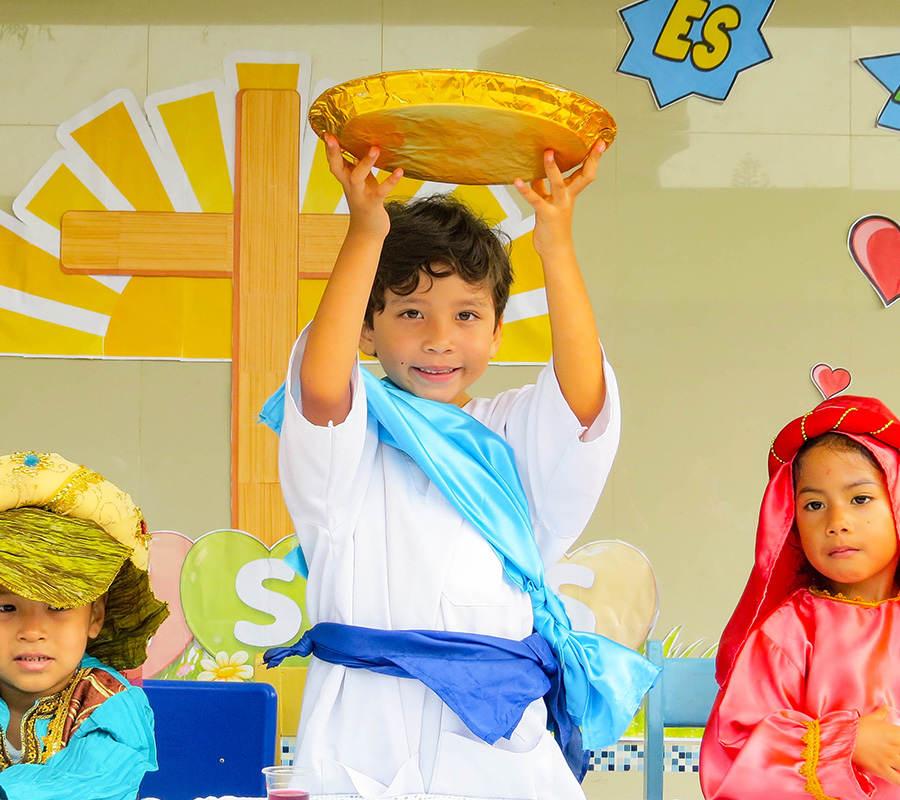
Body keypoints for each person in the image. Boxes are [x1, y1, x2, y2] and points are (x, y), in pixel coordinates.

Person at [263, 135, 658, 800]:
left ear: (498, 331)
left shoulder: (512, 432)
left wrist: (555, 242)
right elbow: (324, 389)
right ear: (367, 330)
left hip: (498, 737)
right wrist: (365, 233)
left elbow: (583, 401)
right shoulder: (354, 439)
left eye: (467, 315)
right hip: (363, 728)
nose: (439, 339)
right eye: (410, 312)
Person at [700, 395, 900, 799]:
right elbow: (735, 750)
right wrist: (843, 744)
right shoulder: (787, 634)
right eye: (814, 504)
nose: (837, 522)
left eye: (860, 498)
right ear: (791, 522)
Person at [0, 451, 169, 800]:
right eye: (6, 607)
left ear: (95, 617)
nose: (32, 631)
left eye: (58, 606)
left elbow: (88, 782)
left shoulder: (109, 703)